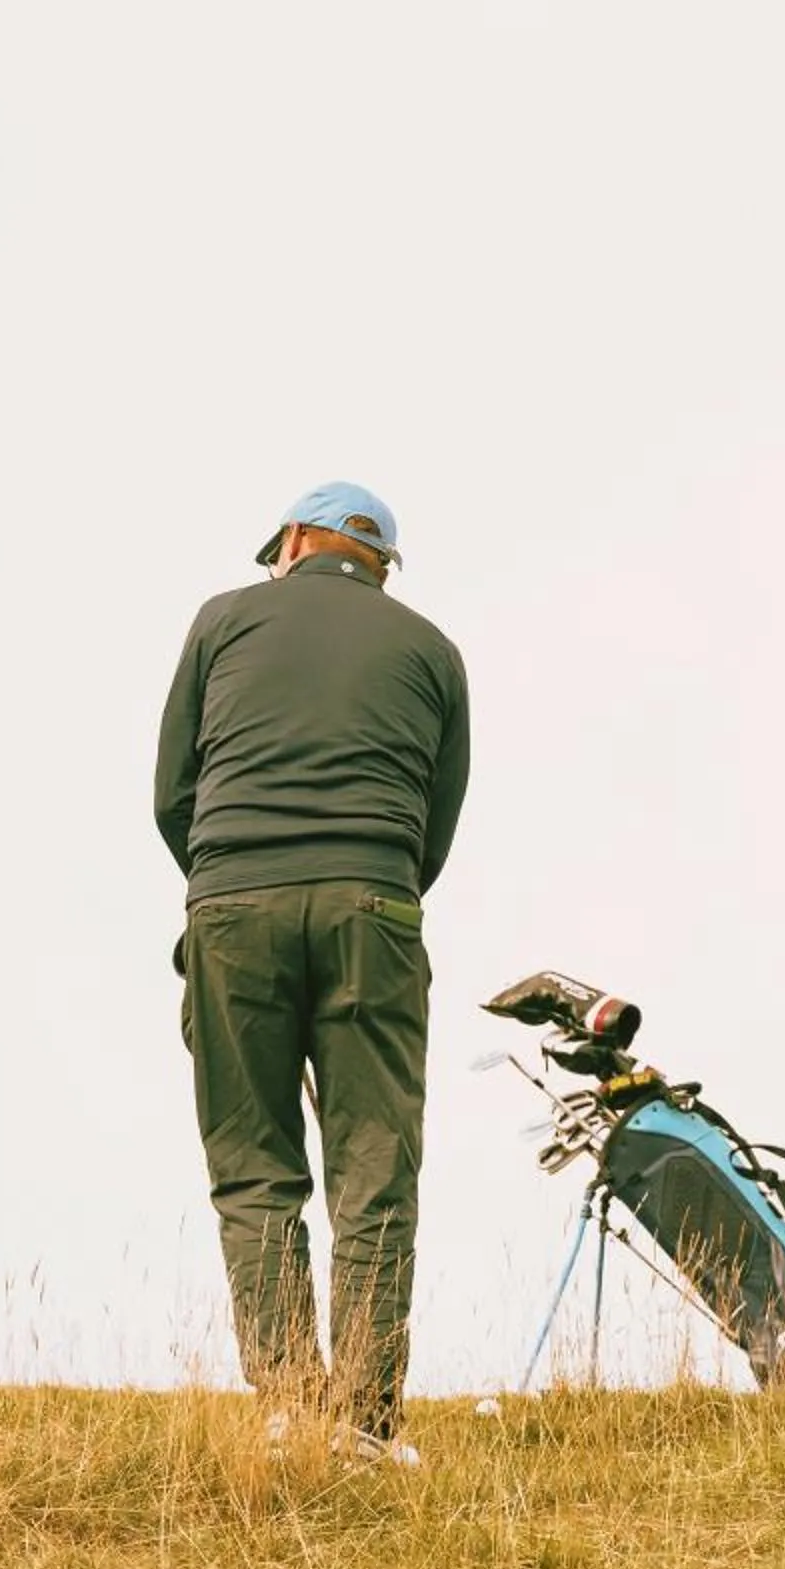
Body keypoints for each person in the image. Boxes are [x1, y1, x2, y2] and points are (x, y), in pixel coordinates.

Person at [154, 481, 471, 1465]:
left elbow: (172, 792)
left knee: (255, 1168)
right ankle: (365, 1425)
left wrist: (232, 882)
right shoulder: (431, 652)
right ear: (380, 565)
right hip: (370, 906)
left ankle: (289, 1408)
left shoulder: (221, 621)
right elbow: (436, 823)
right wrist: (364, 886)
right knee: (374, 1167)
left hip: (232, 904)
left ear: (292, 540)